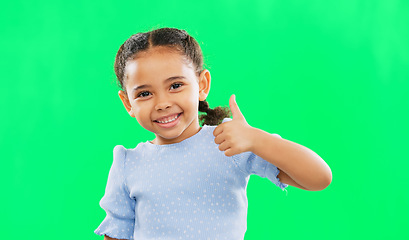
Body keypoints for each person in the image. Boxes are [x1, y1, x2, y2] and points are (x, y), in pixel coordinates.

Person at [95, 27, 332, 240]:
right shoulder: (128, 163)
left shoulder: (229, 143)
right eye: (145, 93)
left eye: (175, 86)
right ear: (128, 103)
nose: (162, 103)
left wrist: (256, 140)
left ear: (202, 85)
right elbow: (117, 234)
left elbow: (319, 177)